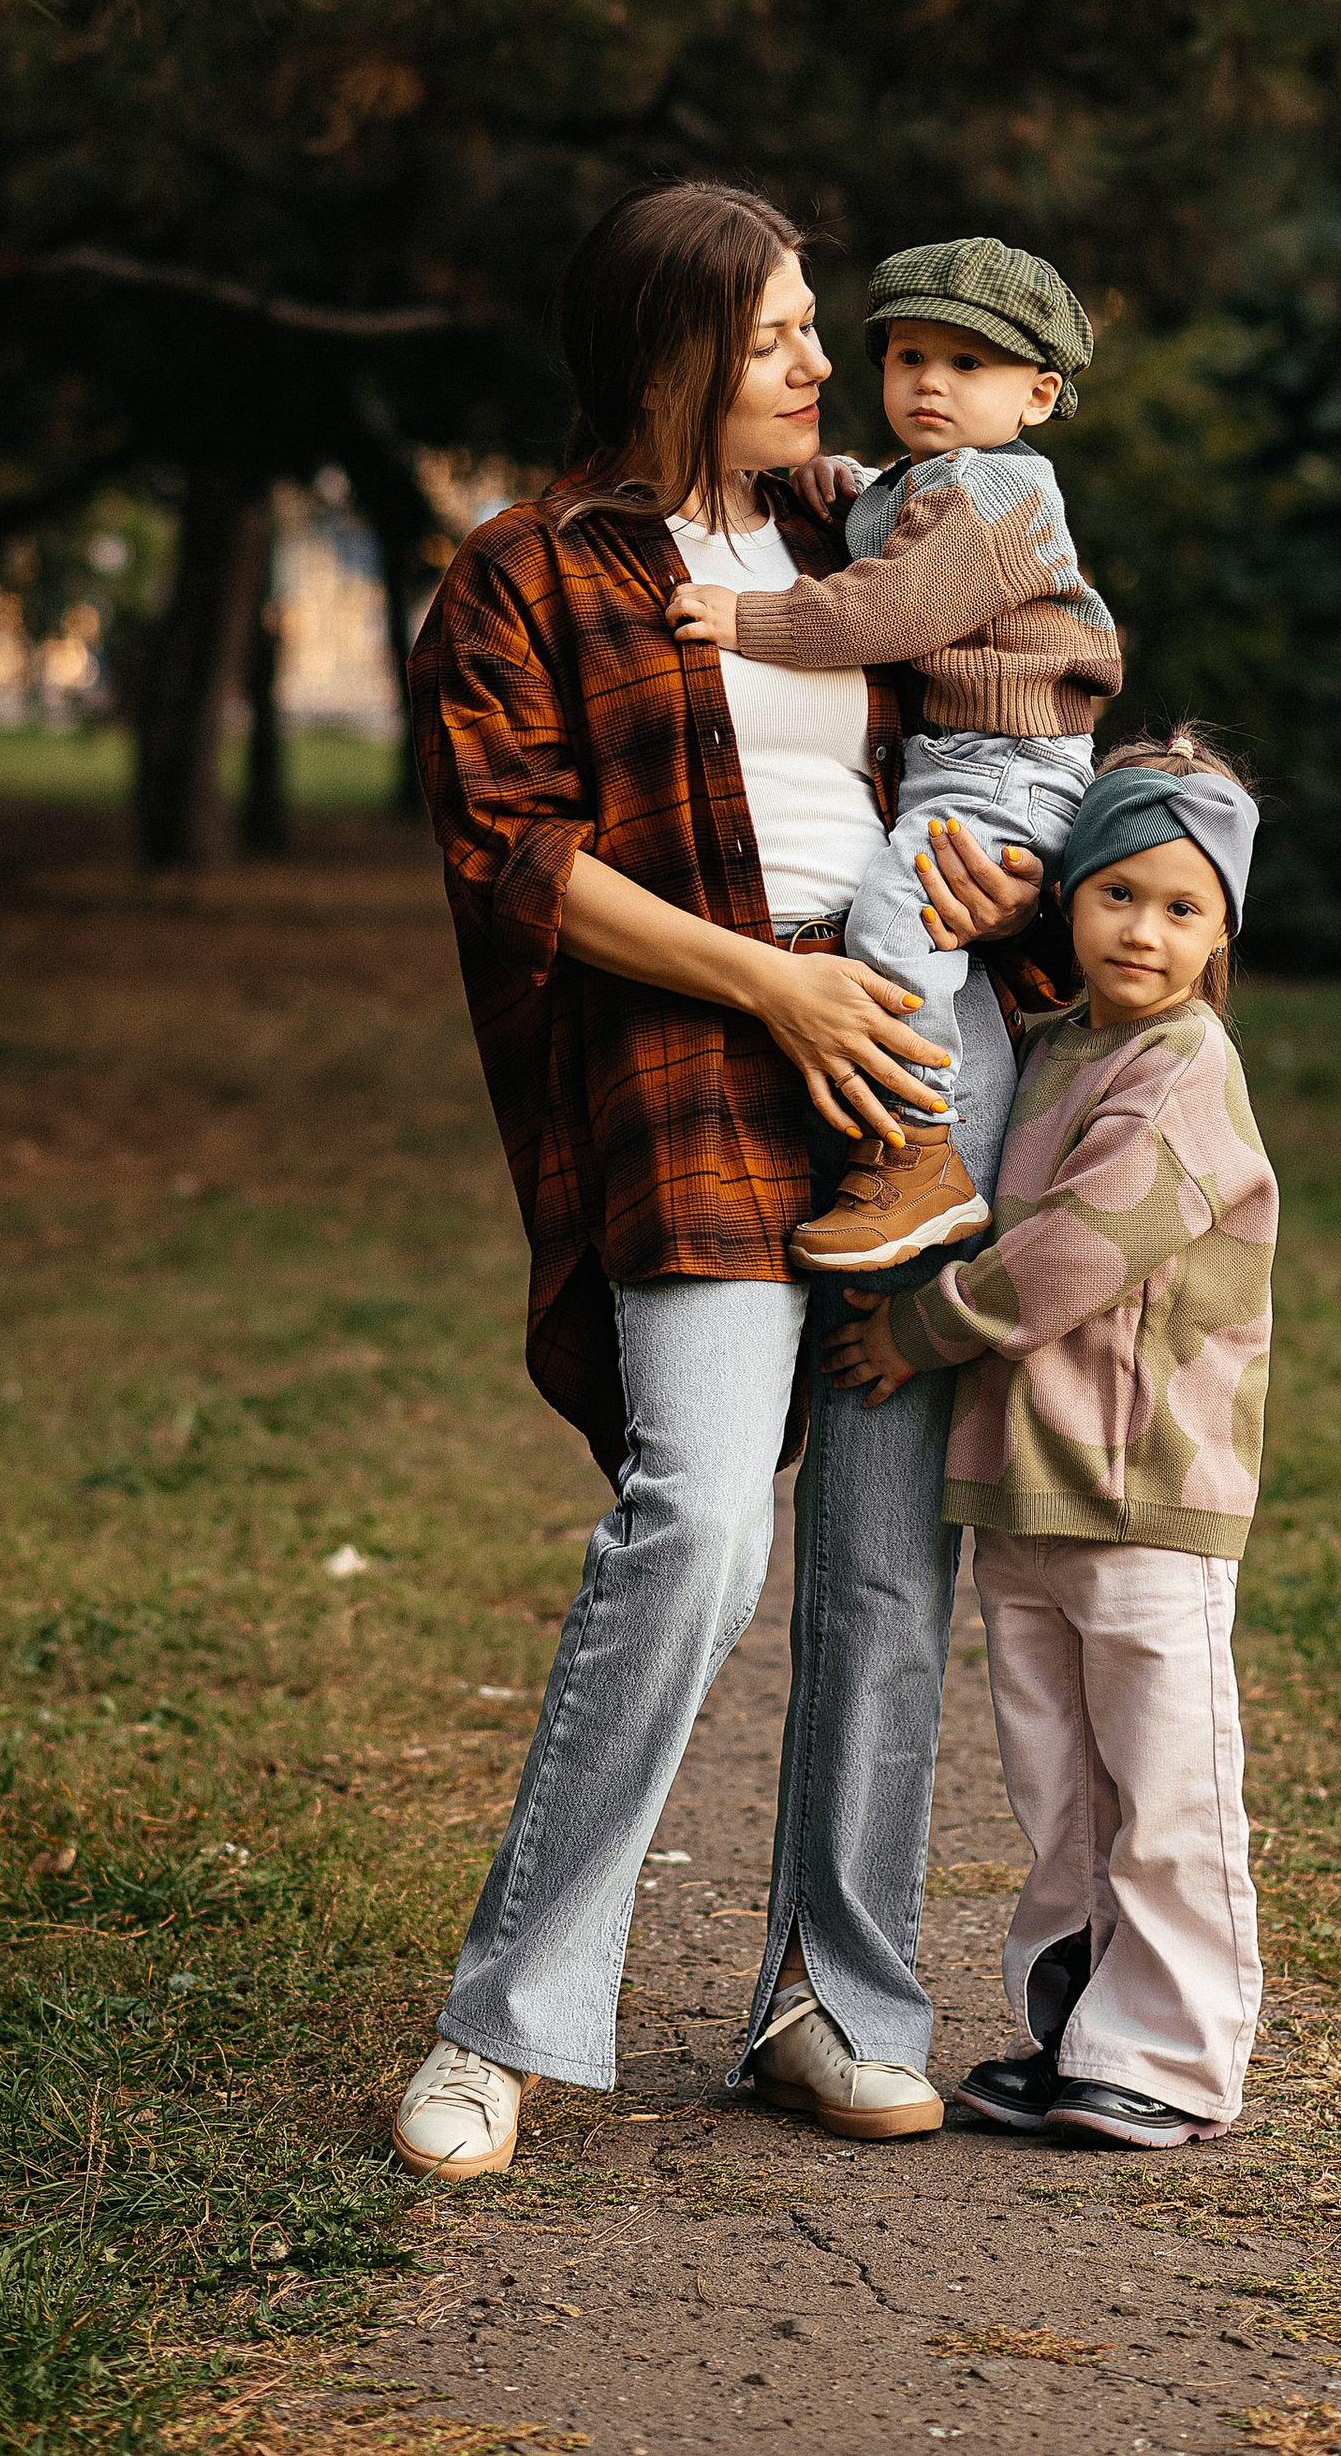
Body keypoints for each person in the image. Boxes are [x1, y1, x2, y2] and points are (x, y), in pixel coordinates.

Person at [394, 179, 1051, 2185]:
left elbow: (1031, 702)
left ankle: (831, 2002)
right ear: (675, 350)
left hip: (918, 1063)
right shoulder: (520, 571)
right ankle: (501, 2018)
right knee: (691, 1519)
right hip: (696, 1062)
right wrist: (771, 981)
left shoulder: (872, 524)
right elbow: (509, 856)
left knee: (876, 1557)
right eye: (775, 331)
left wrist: (1003, 860)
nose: (819, 360)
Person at [824, 729, 1276, 2151]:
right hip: (1023, 1481)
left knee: (1164, 1778)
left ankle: (1180, 2054)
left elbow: (1081, 1251)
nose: (1145, 929)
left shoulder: (1187, 1066)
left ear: (1223, 931)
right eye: (1118, 892)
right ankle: (1076, 2027)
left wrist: (917, 1329)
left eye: (1184, 905)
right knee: (1058, 1779)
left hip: (1143, 1487)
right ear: (1066, 894)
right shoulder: (1056, 1043)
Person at [665, 234, 1120, 1274]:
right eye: (909, 356)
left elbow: (894, 605)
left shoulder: (1001, 495)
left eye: (969, 365)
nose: (930, 382)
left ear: (1037, 396)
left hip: (1011, 760)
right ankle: (916, 1145)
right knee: (911, 910)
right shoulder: (925, 481)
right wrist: (824, 485)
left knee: (894, 913)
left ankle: (918, 1153)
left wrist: (750, 620)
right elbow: (880, 509)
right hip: (963, 759)